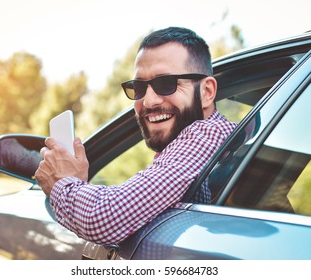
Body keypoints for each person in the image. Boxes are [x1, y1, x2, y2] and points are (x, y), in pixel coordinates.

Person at [35, 27, 238, 245]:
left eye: (166, 84)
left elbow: (103, 219)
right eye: (139, 87)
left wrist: (63, 182)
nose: (149, 101)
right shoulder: (194, 149)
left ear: (207, 92)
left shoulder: (206, 134)